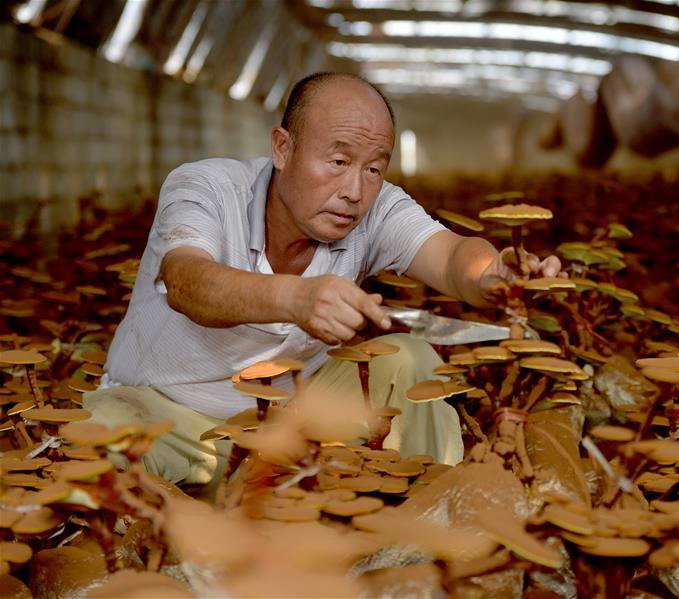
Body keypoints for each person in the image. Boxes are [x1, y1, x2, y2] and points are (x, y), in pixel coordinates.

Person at [84, 72, 561, 489]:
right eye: (337, 161)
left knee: (409, 357)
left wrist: (497, 274)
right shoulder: (206, 187)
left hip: (293, 424)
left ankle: (430, 525)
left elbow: (453, 254)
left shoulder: (377, 208)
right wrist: (297, 298)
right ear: (282, 148)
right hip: (168, 415)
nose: (354, 191)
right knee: (102, 430)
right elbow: (188, 283)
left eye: (373, 168)